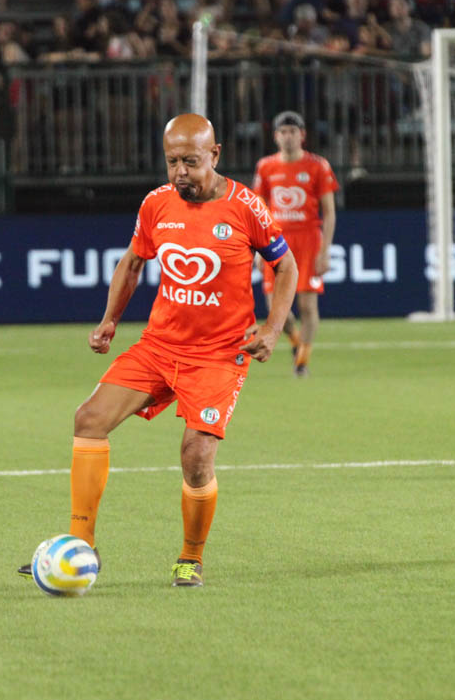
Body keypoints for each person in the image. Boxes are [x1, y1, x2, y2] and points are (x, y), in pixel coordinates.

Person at [19, 113, 298, 587]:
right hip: (159, 346)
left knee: (195, 455)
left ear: (215, 154)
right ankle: (80, 545)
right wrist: (109, 320)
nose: (180, 172)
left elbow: (286, 266)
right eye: (172, 162)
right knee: (89, 419)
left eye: (191, 161)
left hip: (217, 356)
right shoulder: (156, 205)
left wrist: (272, 329)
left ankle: (191, 557)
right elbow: (132, 264)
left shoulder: (245, 206)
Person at [252, 110, 338, 377]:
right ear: (276, 136)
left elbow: (330, 212)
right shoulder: (266, 166)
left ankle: (302, 361)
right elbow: (258, 209)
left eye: (293, 132)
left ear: (302, 135)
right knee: (276, 310)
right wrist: (257, 248)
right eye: (283, 132)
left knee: (307, 306)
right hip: (276, 242)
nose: (288, 137)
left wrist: (325, 251)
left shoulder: (317, 166)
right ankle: (295, 341)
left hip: (308, 241)